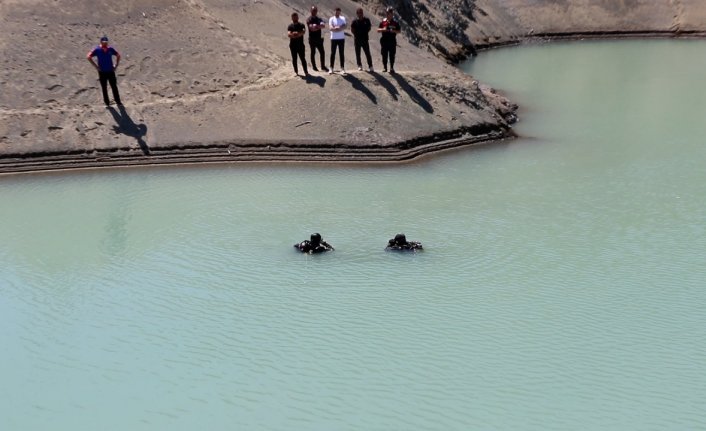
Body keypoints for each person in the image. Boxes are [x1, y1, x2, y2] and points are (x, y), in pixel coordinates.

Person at [87, 36, 123, 106]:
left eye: (106, 43)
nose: (105, 44)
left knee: (114, 86)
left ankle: (118, 101)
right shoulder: (97, 49)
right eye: (104, 43)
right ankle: (107, 102)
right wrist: (96, 66)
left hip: (110, 71)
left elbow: (118, 55)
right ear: (101, 42)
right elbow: (88, 56)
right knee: (104, 87)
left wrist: (116, 64)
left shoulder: (110, 49)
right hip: (102, 72)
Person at [377, 7, 401, 73]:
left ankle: (391, 67)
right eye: (387, 13)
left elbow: (399, 31)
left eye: (390, 13)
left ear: (392, 14)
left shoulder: (395, 22)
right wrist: (383, 29)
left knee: (392, 54)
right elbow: (378, 30)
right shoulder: (383, 21)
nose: (388, 15)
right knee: (384, 54)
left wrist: (393, 31)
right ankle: (385, 67)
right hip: (384, 40)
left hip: (392, 41)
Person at [351, 7, 373, 72]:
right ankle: (359, 65)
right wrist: (356, 34)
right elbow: (352, 29)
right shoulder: (354, 21)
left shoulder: (367, 20)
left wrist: (364, 33)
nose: (360, 14)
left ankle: (370, 66)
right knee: (358, 53)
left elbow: (369, 28)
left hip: (365, 39)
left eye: (361, 12)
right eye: (359, 13)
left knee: (367, 53)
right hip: (357, 40)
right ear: (357, 14)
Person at [306, 6, 327, 72]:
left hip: (319, 39)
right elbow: (311, 29)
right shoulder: (309, 19)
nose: (314, 12)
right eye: (313, 10)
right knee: (313, 52)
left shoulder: (319, 19)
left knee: (322, 52)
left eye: (315, 10)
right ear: (311, 11)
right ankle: (314, 66)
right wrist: (318, 27)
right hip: (312, 39)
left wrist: (316, 27)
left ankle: (323, 66)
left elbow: (323, 26)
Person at [287, 12, 309, 76]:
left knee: (303, 58)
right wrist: (294, 35)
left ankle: (306, 72)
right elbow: (288, 34)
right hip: (293, 45)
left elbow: (303, 31)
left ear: (298, 17)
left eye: (296, 17)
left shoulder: (301, 25)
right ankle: (296, 72)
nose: (295, 18)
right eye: (293, 17)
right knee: (294, 59)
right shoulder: (290, 26)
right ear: (292, 18)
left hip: (300, 45)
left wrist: (297, 34)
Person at [328, 7, 347, 75]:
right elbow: (330, 28)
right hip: (333, 38)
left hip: (341, 38)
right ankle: (331, 68)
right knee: (333, 53)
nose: (337, 13)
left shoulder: (342, 18)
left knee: (341, 53)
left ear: (340, 12)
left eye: (338, 12)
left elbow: (345, 26)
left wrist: (338, 28)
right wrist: (338, 28)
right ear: (334, 11)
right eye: (336, 11)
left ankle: (342, 68)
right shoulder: (331, 19)